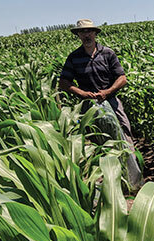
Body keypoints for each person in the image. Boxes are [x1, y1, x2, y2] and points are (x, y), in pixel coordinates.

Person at [59, 19, 142, 189]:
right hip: (90, 106)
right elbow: (63, 82)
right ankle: (114, 182)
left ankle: (133, 180)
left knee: (124, 133)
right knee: (100, 142)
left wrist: (108, 91)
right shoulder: (74, 58)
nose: (86, 35)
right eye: (82, 32)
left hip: (110, 101)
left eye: (89, 31)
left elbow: (122, 78)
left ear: (95, 33)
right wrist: (82, 93)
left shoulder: (108, 53)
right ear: (78, 35)